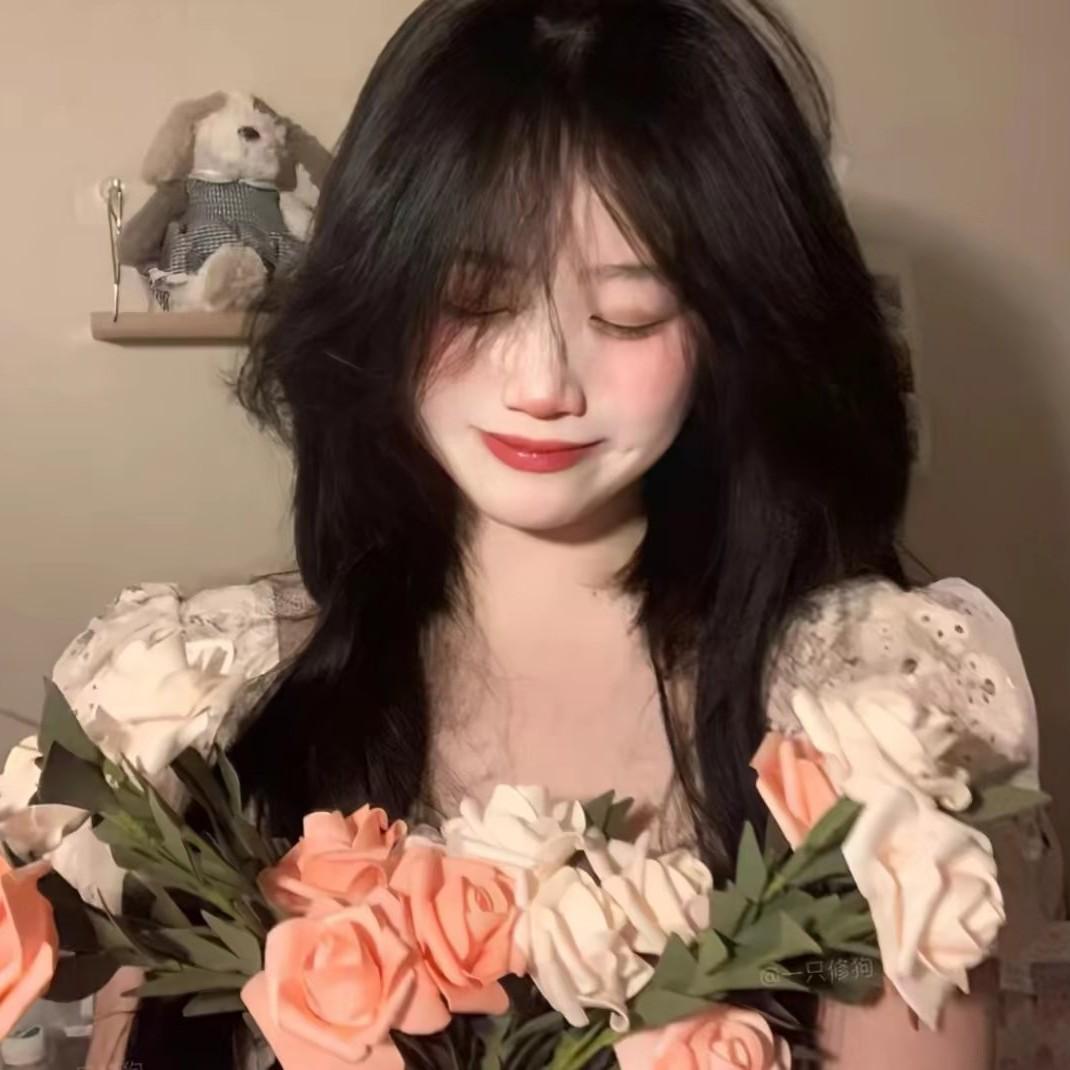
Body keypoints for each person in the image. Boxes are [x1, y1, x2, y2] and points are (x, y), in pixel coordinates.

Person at [53, 1, 1059, 1067]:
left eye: (628, 314)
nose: (541, 385)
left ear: (733, 331)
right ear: (383, 296)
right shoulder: (194, 702)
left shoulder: (873, 720)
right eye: (474, 299)